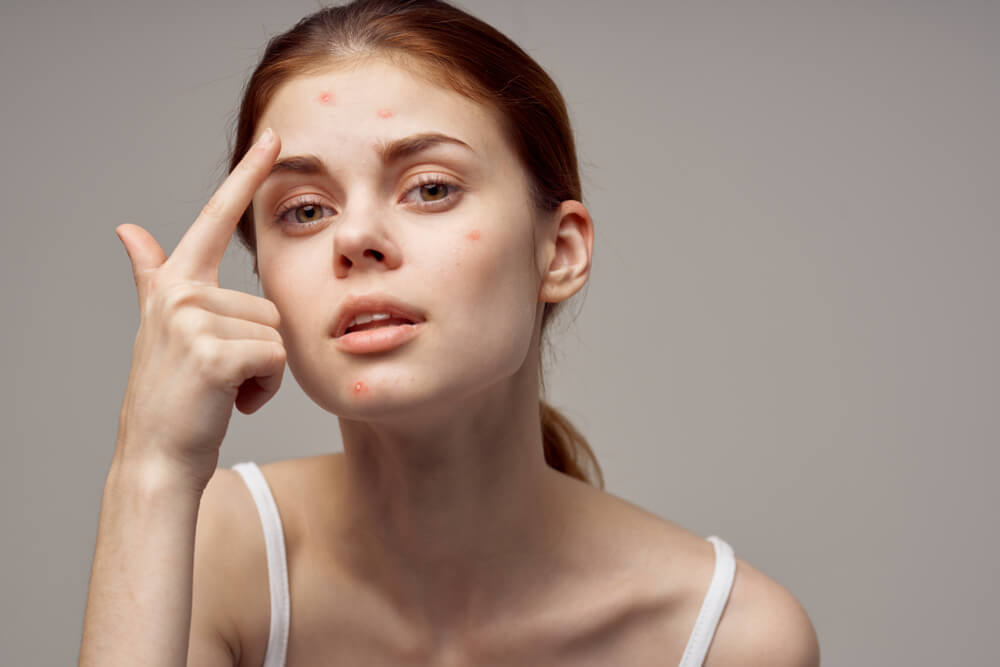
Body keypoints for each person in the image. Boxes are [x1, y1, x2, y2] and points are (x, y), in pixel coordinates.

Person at [80, 1, 820, 665]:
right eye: (305, 209)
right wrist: (150, 465)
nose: (357, 236)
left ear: (559, 251)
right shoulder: (214, 553)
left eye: (431, 188)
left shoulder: (731, 638)